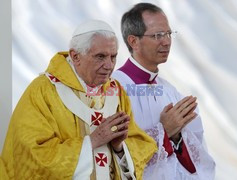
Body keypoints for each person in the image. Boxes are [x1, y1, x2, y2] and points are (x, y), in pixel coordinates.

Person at [0, 20, 157, 180]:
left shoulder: (116, 92)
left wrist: (118, 147)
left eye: (113, 57)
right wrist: (92, 141)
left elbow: (137, 144)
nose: (109, 65)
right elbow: (30, 157)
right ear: (75, 56)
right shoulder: (43, 91)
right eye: (100, 57)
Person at [112, 3, 216, 180]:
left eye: (168, 34)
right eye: (158, 35)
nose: (167, 41)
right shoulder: (113, 89)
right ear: (133, 41)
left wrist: (177, 138)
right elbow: (112, 155)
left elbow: (197, 159)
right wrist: (164, 132)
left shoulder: (169, 90)